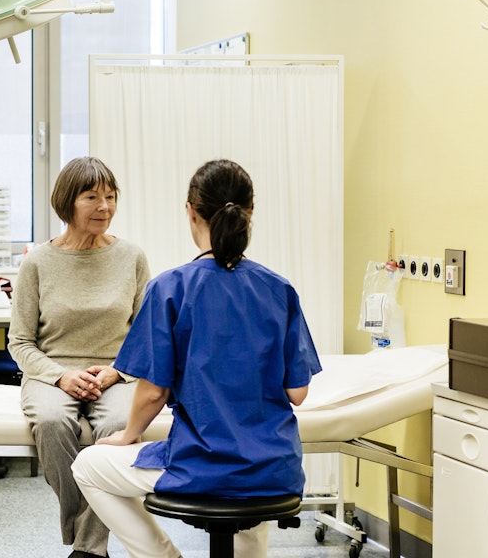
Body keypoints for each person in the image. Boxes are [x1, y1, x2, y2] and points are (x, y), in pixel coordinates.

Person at [70, 159, 322, 558]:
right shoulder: (278, 289)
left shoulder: (171, 288)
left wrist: (128, 435)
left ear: (190, 210)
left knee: (88, 466)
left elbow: (153, 393)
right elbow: (299, 391)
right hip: (275, 467)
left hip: (203, 465)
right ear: (249, 213)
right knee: (245, 501)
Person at [8, 156, 151, 558]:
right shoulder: (38, 261)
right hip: (51, 370)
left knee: (121, 424)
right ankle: (90, 534)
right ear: (67, 202)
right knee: (52, 421)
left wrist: (114, 372)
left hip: (117, 371)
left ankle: (87, 550)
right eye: (92, 197)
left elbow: (145, 338)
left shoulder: (132, 258)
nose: (104, 206)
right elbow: (19, 342)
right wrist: (60, 377)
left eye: (110, 196)